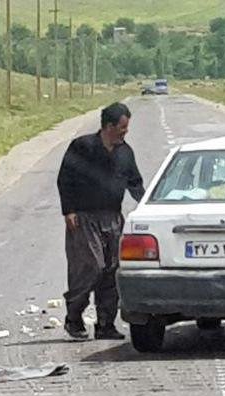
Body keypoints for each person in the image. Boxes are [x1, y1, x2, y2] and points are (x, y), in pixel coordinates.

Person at [57, 102, 145, 341]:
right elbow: (65, 179)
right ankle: (74, 318)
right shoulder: (82, 147)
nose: (125, 132)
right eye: (122, 127)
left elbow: (135, 183)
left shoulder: (125, 152)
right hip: (84, 218)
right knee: (90, 267)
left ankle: (106, 324)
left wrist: (148, 205)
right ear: (109, 126)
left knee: (112, 271)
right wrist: (69, 210)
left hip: (113, 218)